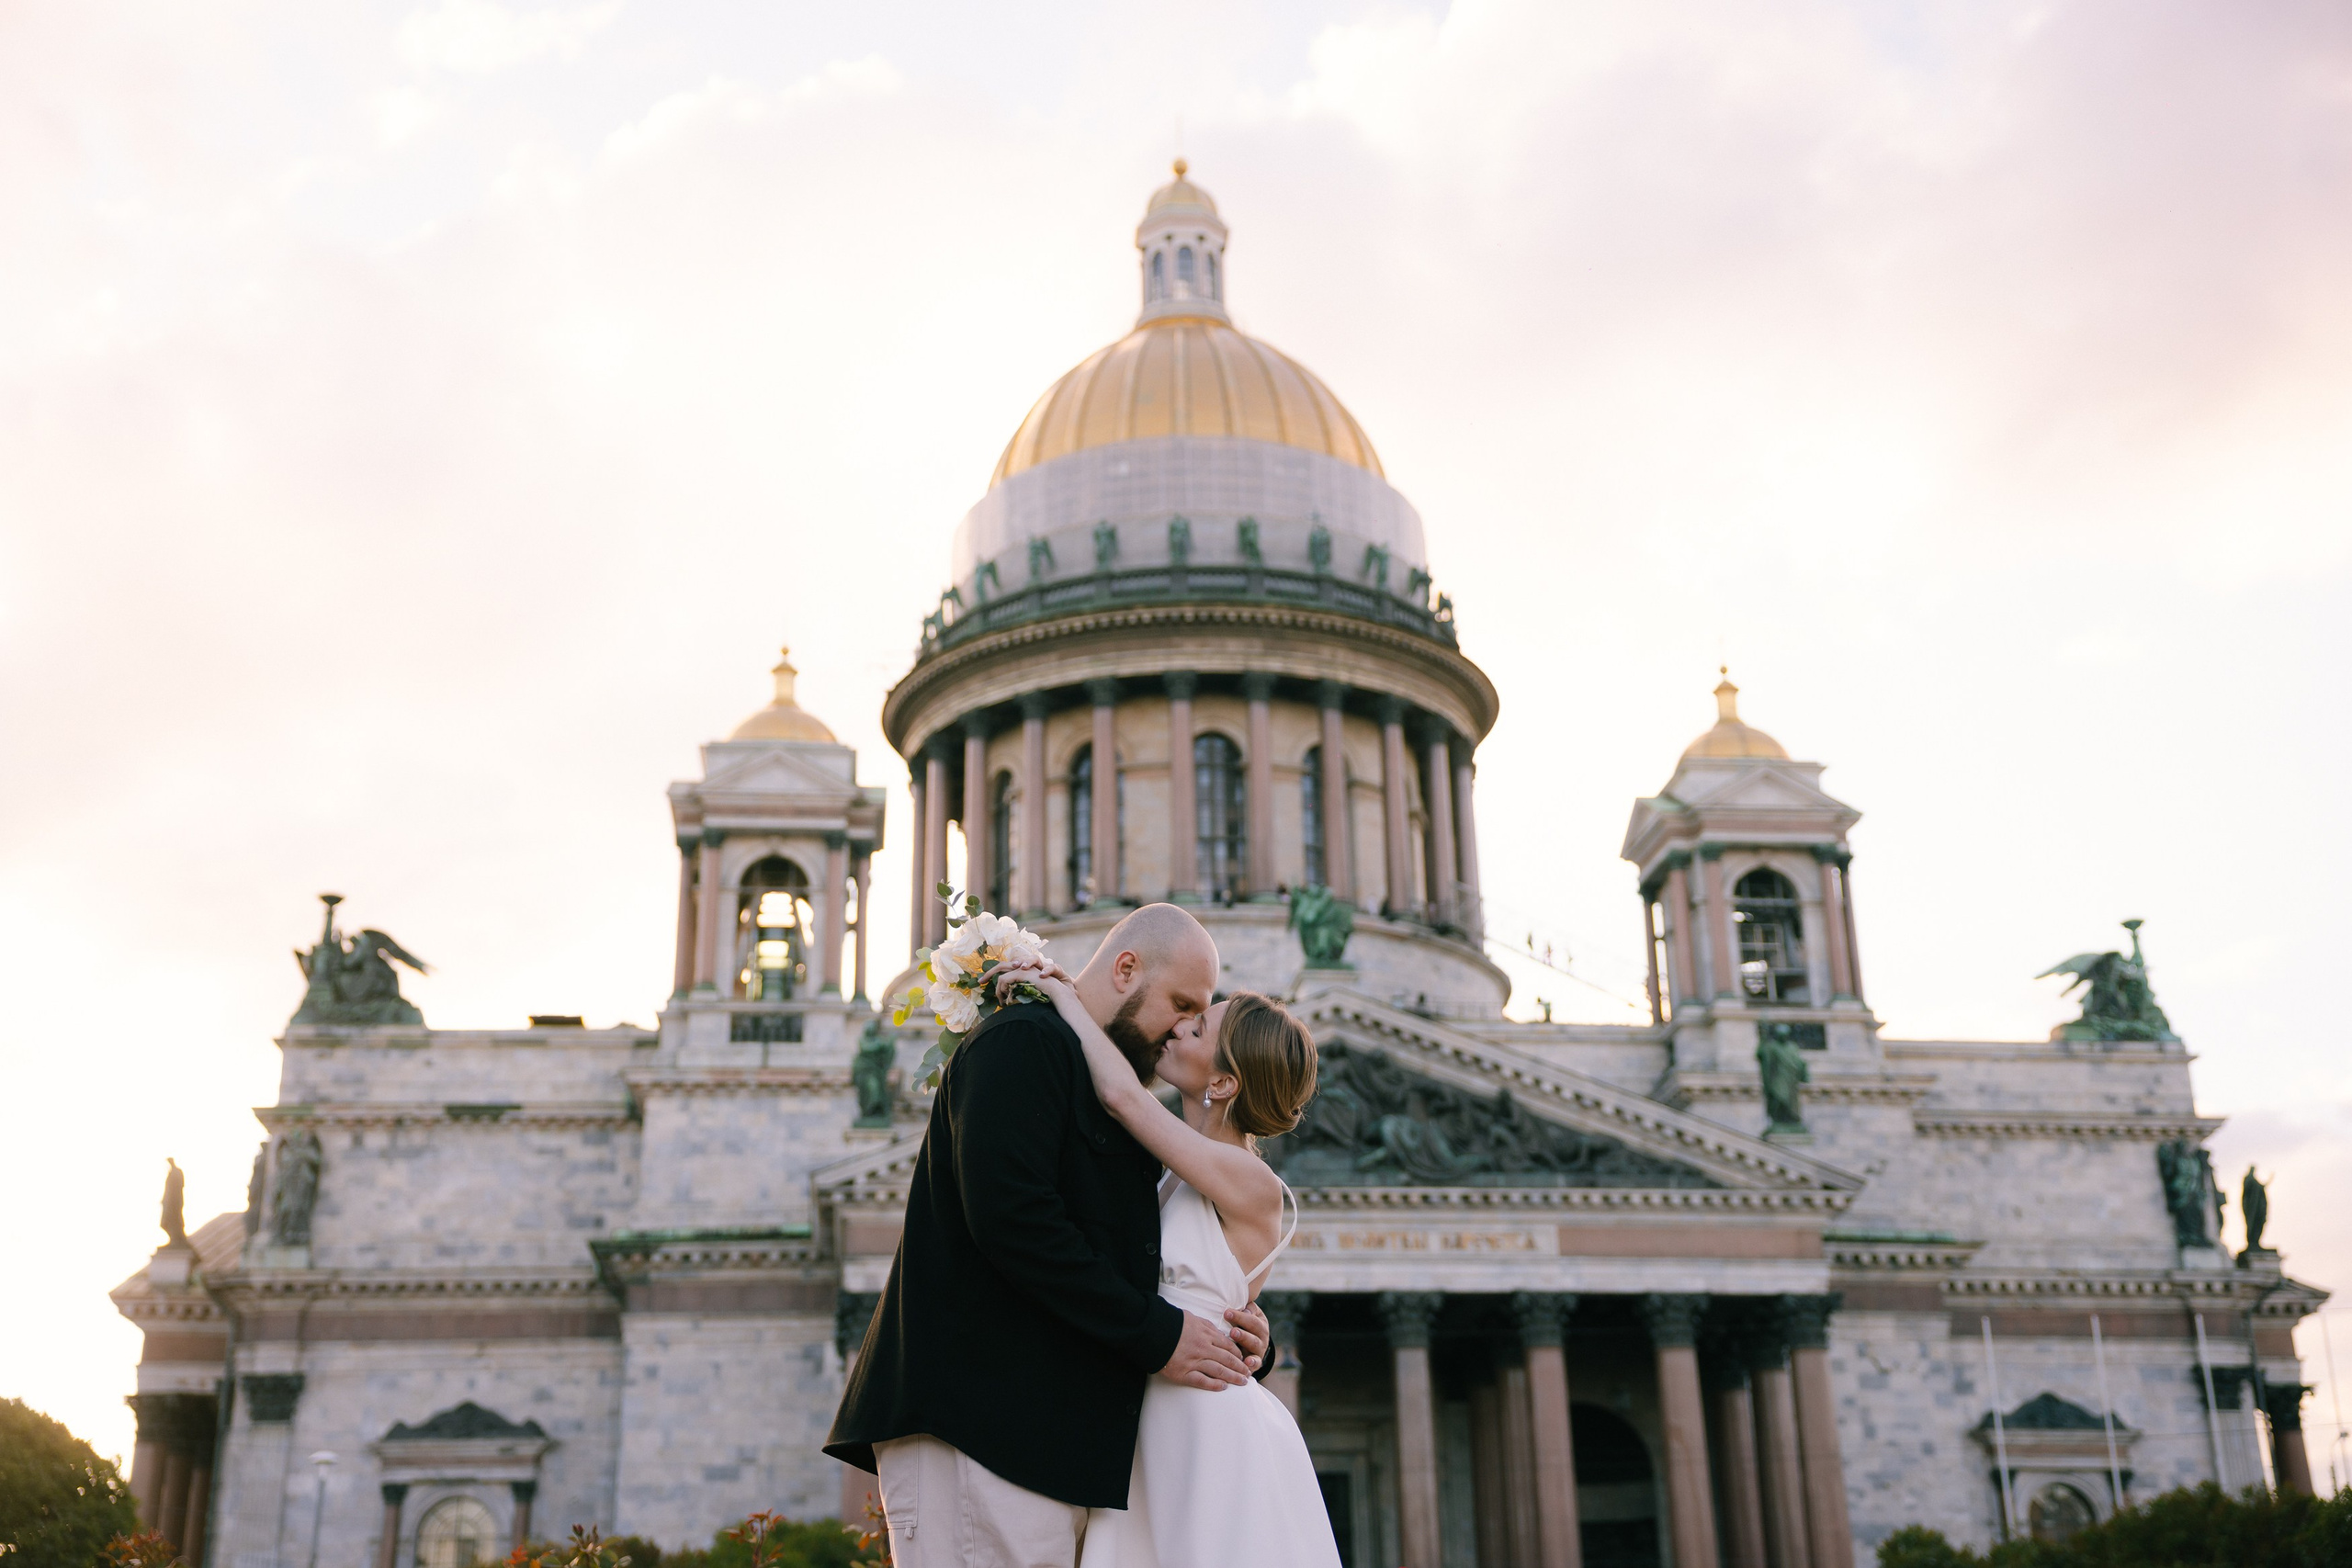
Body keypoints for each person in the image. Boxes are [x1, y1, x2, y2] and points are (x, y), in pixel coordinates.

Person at [825, 904, 1272, 1568]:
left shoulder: (1105, 1085)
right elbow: (1014, 1219)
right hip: (983, 1434)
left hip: (1044, 1449)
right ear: (1126, 969)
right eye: (1181, 1004)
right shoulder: (1024, 1042)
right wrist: (1161, 1335)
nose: (1182, 1028)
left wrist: (1236, 1333)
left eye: (1197, 1015)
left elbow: (1137, 1261)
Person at [995, 957, 1340, 1568]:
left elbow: (1122, 1096)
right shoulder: (1176, 1174)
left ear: (1225, 1083)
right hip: (1153, 1413)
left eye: (1197, 1028)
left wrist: (1063, 995)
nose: (1176, 1028)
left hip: (1204, 1424)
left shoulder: (1248, 1179)